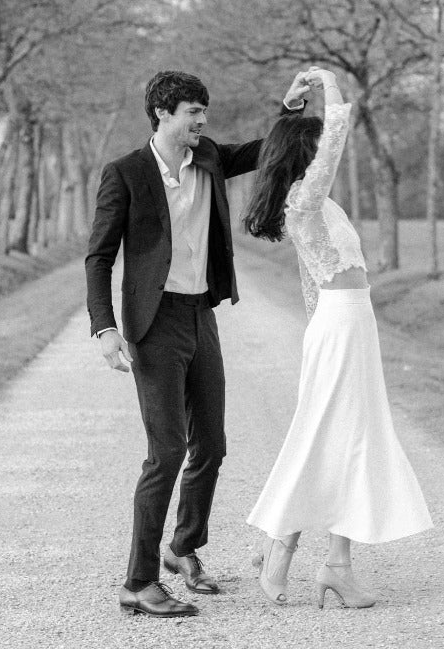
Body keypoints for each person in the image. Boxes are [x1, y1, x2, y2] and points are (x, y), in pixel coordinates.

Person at [86, 70, 307, 618]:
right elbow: (99, 256)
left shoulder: (207, 156)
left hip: (200, 314)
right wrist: (105, 327)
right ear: (162, 113)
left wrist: (290, 110)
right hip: (153, 323)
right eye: (192, 112)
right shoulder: (126, 173)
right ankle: (138, 583)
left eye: (203, 111)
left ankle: (182, 548)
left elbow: (263, 150)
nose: (202, 121)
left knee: (210, 444)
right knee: (166, 451)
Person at [243, 66, 433, 609]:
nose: (323, 153)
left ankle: (333, 562)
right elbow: (338, 133)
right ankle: (285, 546)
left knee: (354, 438)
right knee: (329, 437)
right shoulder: (304, 199)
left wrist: (291, 107)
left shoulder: (316, 203)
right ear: (305, 155)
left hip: (348, 325)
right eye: (316, 147)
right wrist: (327, 81)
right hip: (341, 326)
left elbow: (312, 283)